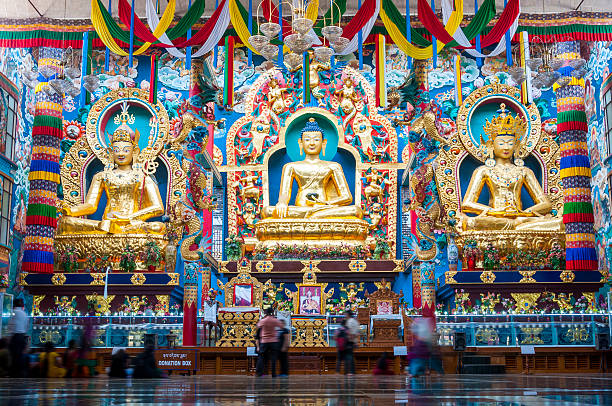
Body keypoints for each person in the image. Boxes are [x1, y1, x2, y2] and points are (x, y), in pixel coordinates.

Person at [255, 307, 282, 377]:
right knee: (273, 358)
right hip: (273, 340)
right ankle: (273, 373)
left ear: (266, 313)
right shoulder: (274, 320)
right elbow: (281, 326)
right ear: (272, 313)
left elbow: (257, 327)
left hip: (264, 341)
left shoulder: (263, 320)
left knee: (261, 356)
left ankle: (259, 373)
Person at [8, 298, 29, 377]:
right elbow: (26, 326)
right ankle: (21, 373)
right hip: (22, 336)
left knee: (14, 356)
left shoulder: (14, 313)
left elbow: (10, 325)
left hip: (15, 337)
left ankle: (14, 373)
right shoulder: (24, 313)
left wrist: (9, 336)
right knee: (20, 355)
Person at [343, 310, 360, 375]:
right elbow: (357, 332)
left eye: (346, 315)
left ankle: (349, 371)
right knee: (350, 356)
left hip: (349, 340)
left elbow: (349, 331)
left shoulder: (349, 321)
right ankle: (351, 371)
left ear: (348, 315)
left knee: (349, 356)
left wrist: (348, 338)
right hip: (353, 340)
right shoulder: (355, 321)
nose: (345, 316)